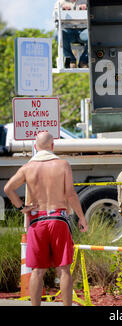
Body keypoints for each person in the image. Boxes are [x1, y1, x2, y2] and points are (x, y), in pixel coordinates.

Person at [4, 131, 88, 306]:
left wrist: (22, 208)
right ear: (53, 146)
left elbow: (8, 188)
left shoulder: (27, 168)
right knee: (63, 269)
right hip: (58, 218)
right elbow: (70, 194)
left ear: (35, 147)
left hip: (36, 220)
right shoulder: (63, 165)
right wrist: (81, 217)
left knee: (37, 271)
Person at [53, 0, 88, 68]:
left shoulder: (86, 0)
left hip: (83, 31)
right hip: (69, 32)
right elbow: (55, 19)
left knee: (94, 34)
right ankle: (71, 60)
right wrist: (62, 10)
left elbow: (94, 14)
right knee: (57, 34)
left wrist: (87, 8)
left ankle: (84, 61)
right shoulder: (60, 3)